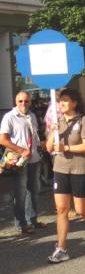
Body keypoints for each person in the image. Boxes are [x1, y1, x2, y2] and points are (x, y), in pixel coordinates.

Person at [46, 88, 85, 263]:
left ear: (74, 103)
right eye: (60, 101)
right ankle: (62, 248)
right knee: (62, 209)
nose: (61, 104)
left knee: (80, 210)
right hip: (60, 168)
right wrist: (52, 132)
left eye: (65, 100)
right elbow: (49, 148)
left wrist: (67, 148)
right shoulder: (58, 121)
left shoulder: (83, 120)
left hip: (79, 169)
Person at [0, 91, 46, 234]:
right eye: (20, 101)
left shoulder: (31, 116)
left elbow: (35, 136)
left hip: (35, 159)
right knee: (21, 194)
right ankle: (21, 224)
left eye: (26, 101)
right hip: (20, 161)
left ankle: (33, 219)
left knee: (35, 191)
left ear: (30, 102)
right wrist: (20, 150)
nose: (23, 104)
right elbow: (3, 140)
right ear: (16, 102)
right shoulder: (10, 117)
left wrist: (41, 147)